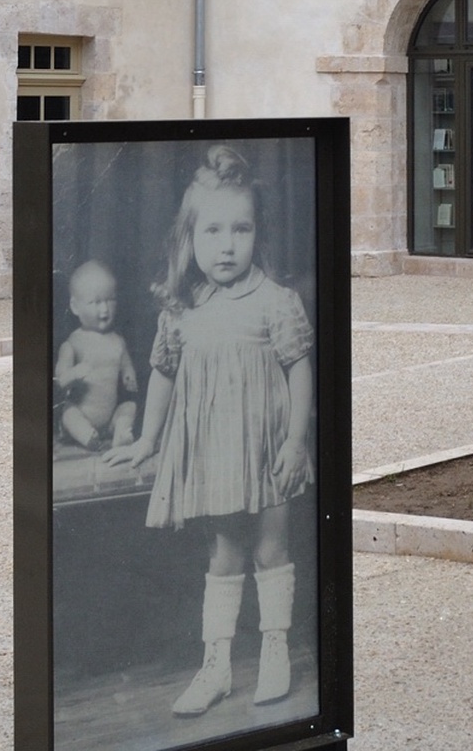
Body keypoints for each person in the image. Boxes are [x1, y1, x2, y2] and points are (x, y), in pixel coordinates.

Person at [106, 145, 315, 717]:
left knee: (272, 549)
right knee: (224, 555)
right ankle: (216, 666)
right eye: (213, 230)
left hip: (271, 450)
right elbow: (162, 374)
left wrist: (295, 443)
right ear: (189, 240)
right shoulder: (180, 310)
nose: (227, 245)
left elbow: (300, 371)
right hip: (214, 454)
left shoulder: (277, 302)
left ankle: (276, 652)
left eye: (241, 229)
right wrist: (147, 440)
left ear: (257, 233)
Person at [53, 260, 138, 452]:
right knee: (68, 413)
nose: (105, 309)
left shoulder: (118, 341)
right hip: (81, 415)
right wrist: (74, 373)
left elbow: (126, 366)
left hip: (108, 419)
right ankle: (86, 436)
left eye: (110, 300)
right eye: (95, 302)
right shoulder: (73, 343)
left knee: (129, 406)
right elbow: (60, 381)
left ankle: (120, 433)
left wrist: (129, 375)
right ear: (75, 307)